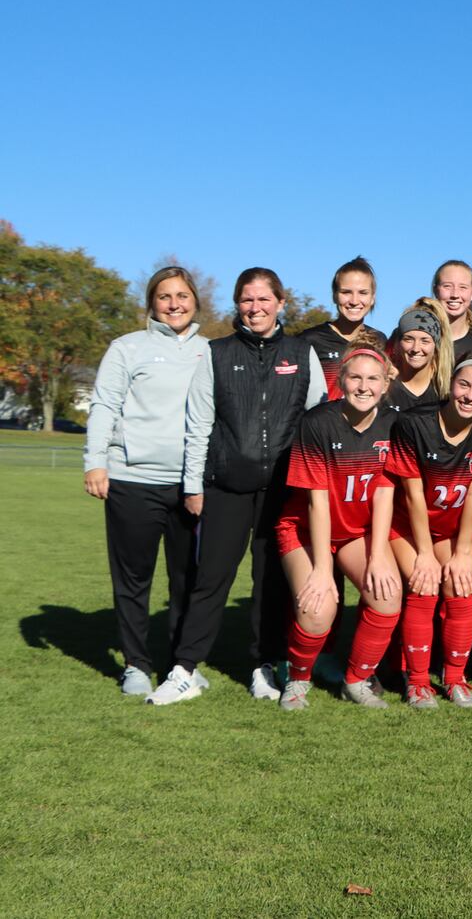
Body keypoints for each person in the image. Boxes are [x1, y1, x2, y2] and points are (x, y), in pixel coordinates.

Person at [151, 268, 327, 706]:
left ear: (281, 302)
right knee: (211, 579)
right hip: (226, 486)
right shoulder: (216, 354)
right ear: (238, 305)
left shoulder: (301, 352)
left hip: (283, 492)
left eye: (264, 299)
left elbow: (318, 421)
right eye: (247, 300)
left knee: (269, 581)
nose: (256, 308)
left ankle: (263, 665)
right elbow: (198, 425)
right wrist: (194, 485)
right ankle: (185, 669)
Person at [84, 266, 210, 697]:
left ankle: (181, 665)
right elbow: (104, 405)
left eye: (182, 295)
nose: (174, 304)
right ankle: (136, 663)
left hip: (189, 486)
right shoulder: (127, 348)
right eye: (164, 296)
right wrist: (95, 462)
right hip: (131, 480)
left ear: (195, 300)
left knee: (188, 580)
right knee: (134, 579)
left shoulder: (212, 351)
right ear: (152, 304)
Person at [274, 347, 402, 710]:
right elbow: (316, 502)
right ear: (340, 381)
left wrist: (377, 556)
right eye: (355, 377)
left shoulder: (394, 424)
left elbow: (383, 496)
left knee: (386, 595)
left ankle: (357, 679)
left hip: (355, 530)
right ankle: (297, 680)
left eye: (372, 378)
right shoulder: (317, 423)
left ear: (385, 383)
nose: (364, 386)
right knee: (319, 608)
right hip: (304, 528)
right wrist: (322, 570)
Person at [386, 359, 472, 709]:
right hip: (409, 526)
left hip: (452, 528)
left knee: (461, 588)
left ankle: (455, 676)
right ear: (451, 384)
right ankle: (415, 681)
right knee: (424, 586)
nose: (470, 396)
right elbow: (413, 495)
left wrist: (462, 552)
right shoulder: (413, 423)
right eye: (464, 385)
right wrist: (426, 554)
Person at [298, 256, 379, 399]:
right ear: (335, 296)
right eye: (346, 292)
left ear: (372, 298)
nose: (354, 301)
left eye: (363, 293)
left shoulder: (380, 340)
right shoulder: (309, 340)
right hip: (322, 421)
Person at [385, 300, 454, 414]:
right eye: (408, 339)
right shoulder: (385, 385)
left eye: (425, 341)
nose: (415, 349)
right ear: (398, 343)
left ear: (435, 346)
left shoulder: (446, 389)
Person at [433, 259, 472, 362]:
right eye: (447, 286)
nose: (455, 294)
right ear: (436, 291)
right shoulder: (421, 341)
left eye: (463, 287)